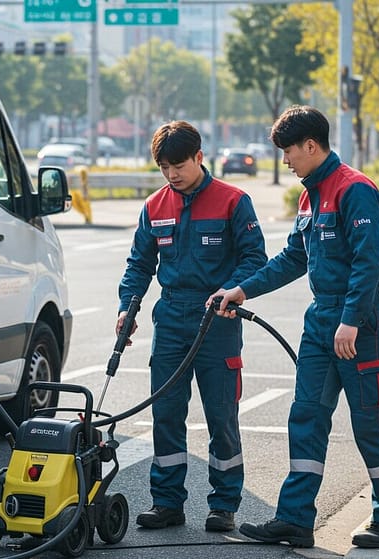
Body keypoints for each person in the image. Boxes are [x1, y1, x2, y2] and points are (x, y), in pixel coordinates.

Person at [208, 105, 379, 549]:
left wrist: (351, 321)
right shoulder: (309, 194)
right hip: (321, 323)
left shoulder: (354, 190)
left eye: (289, 152)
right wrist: (242, 290)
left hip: (362, 322)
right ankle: (295, 519)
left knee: (370, 422)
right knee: (306, 417)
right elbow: (293, 258)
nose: (285, 161)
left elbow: (369, 264)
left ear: (311, 146)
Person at [117, 121, 267, 532]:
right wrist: (126, 309)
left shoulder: (233, 201)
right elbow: (140, 266)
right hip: (171, 323)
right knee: (165, 414)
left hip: (217, 323)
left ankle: (224, 505)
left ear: (199, 157)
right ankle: (167, 502)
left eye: (179, 165)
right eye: (164, 167)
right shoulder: (154, 206)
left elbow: (255, 258)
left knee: (221, 416)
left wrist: (233, 291)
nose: (172, 174)